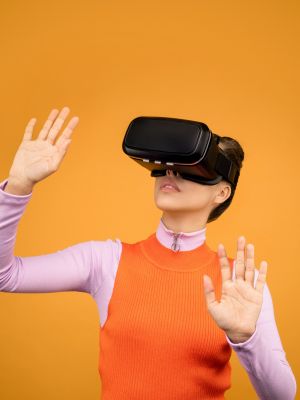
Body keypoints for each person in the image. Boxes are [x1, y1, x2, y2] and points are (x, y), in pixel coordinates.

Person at [0, 106, 297, 400]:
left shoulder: (242, 285)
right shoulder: (106, 261)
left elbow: (283, 396)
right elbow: (6, 276)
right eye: (167, 162)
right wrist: (18, 186)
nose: (170, 171)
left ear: (221, 192)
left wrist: (247, 340)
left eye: (189, 166)